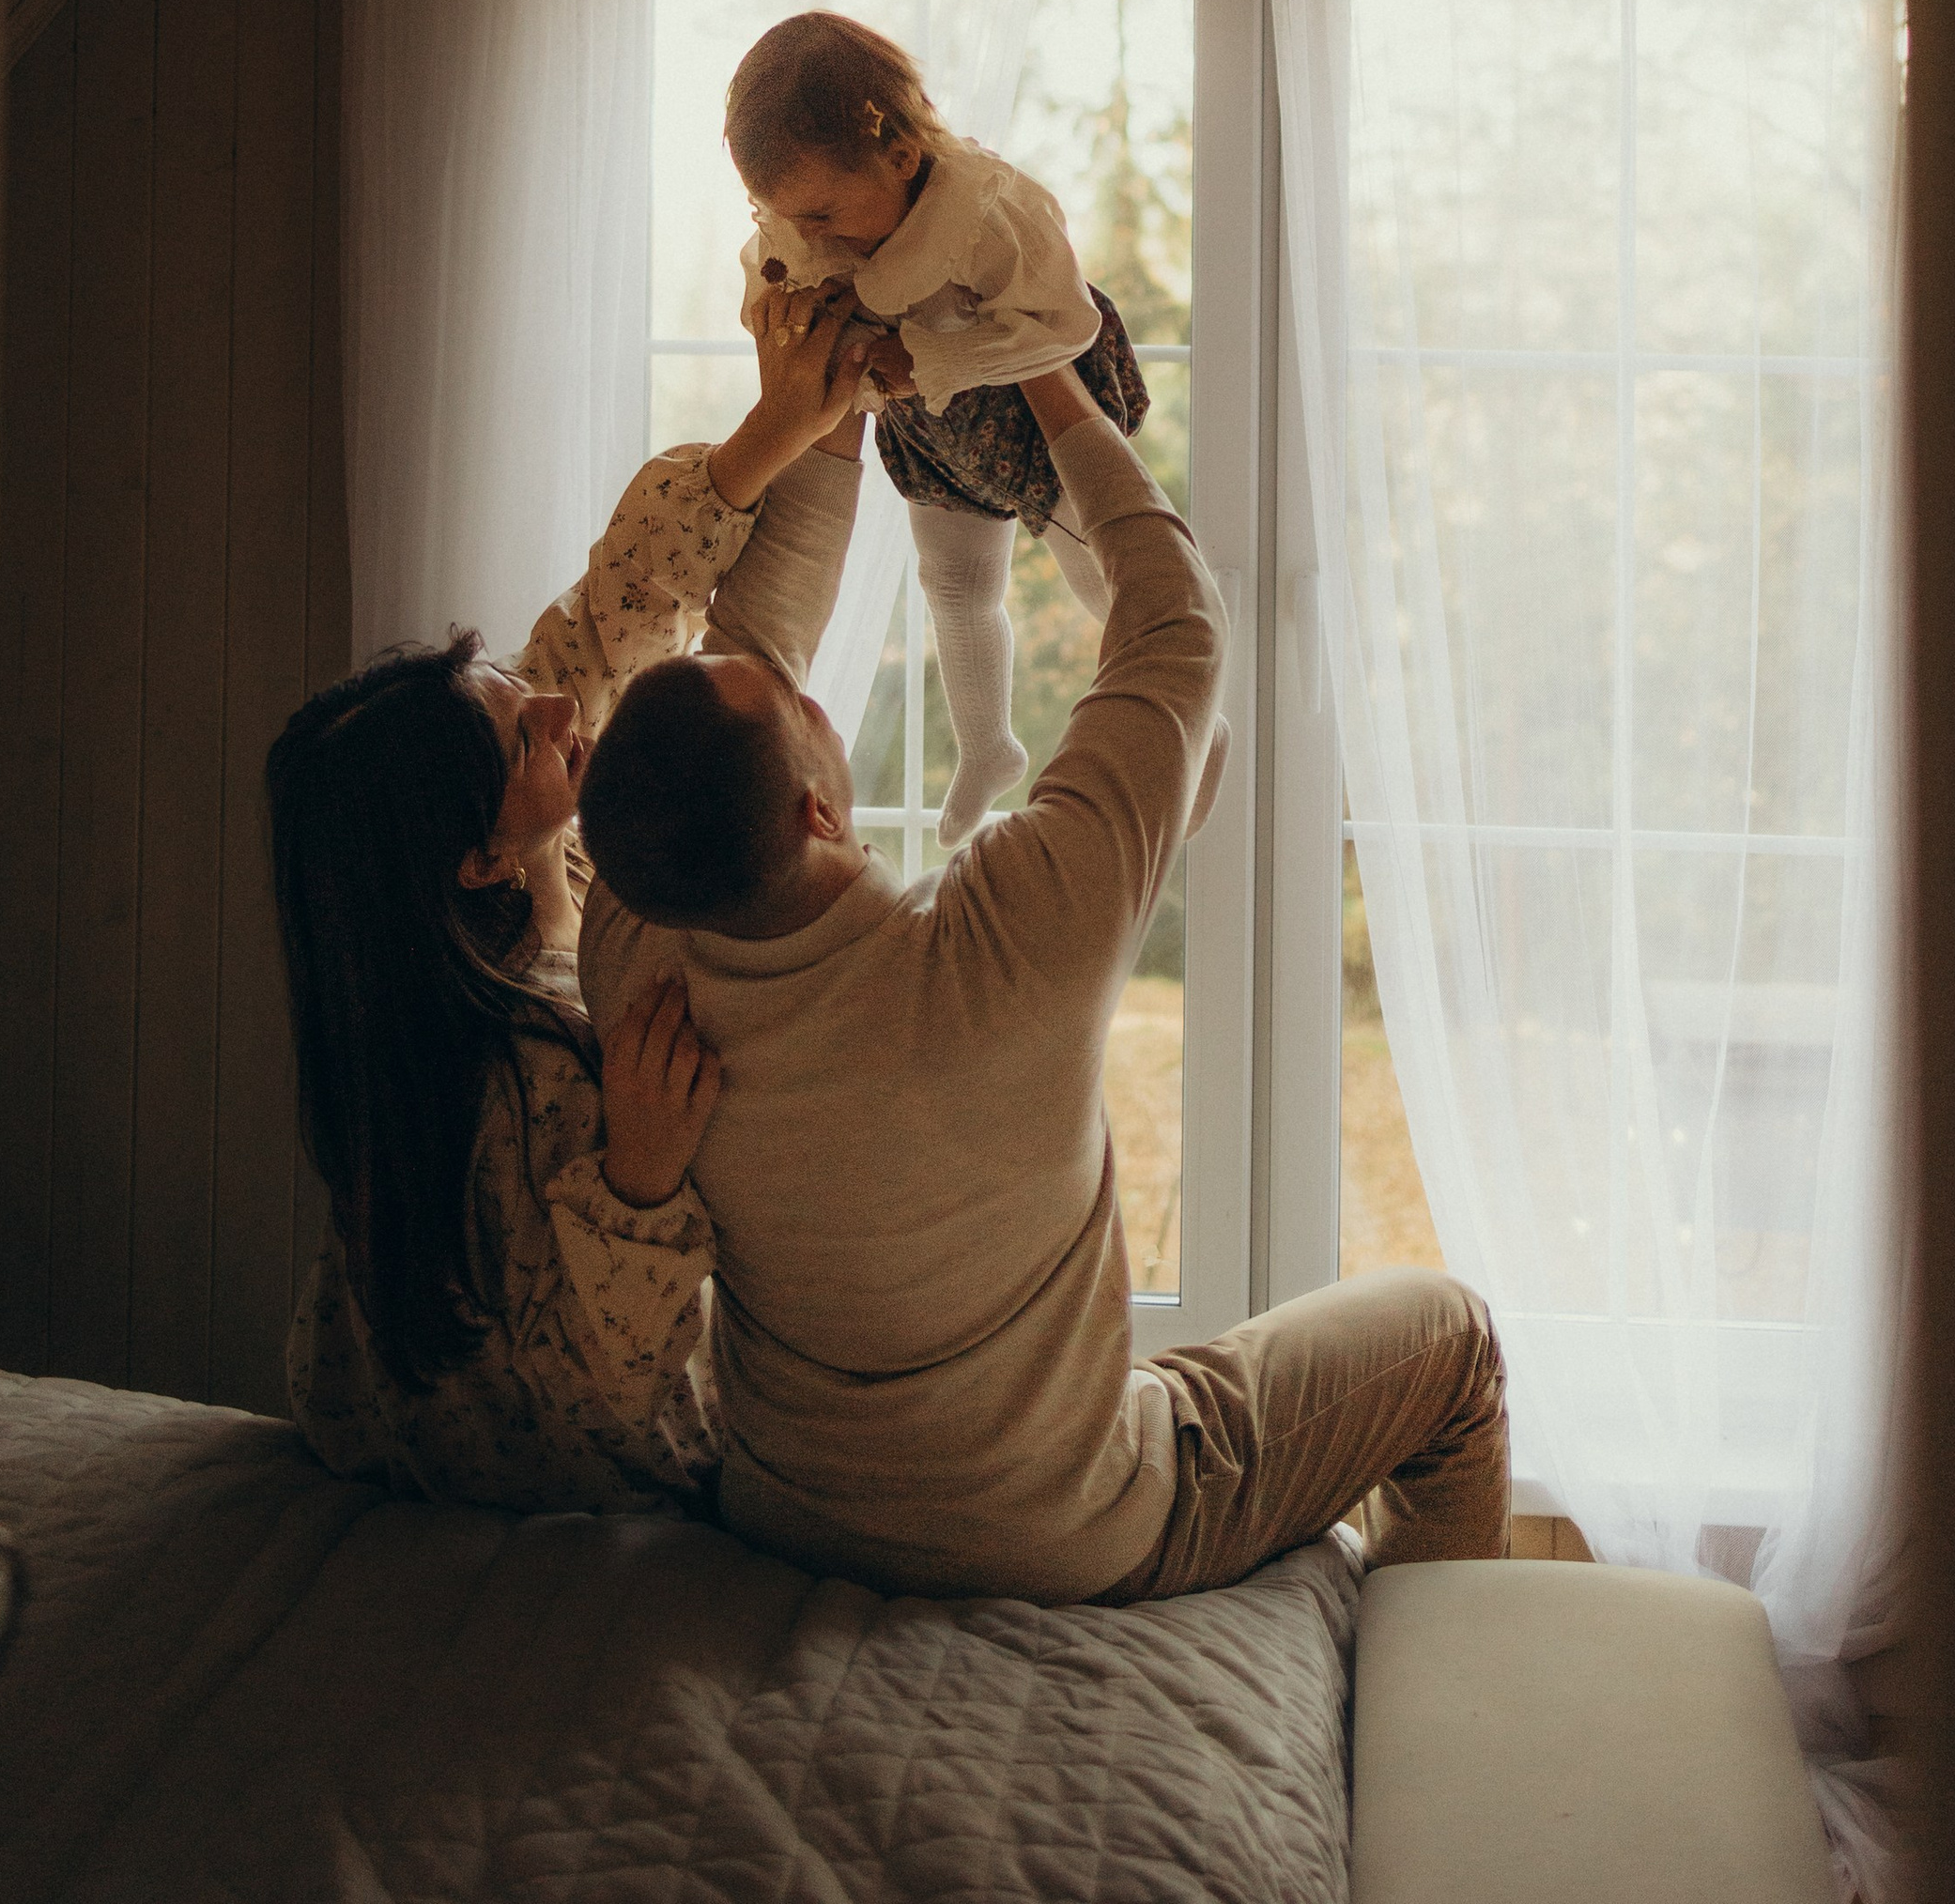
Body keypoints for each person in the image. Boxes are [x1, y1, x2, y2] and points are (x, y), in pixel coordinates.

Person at [576, 361, 1508, 1606]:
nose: (805, 686)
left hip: (790, 1512)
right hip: (1064, 1531)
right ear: (817, 804)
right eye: (803, 711)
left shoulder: (635, 949)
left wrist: (837, 398)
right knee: (1450, 1339)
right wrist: (1055, 378)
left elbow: (748, 649)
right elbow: (1177, 622)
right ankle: (1441, 1681)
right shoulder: (1013, 929)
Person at [269, 284, 867, 1512]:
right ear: (479, 858)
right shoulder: (532, 1055)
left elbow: (621, 611)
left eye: (507, 680)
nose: (552, 705)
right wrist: (640, 1175)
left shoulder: (546, 852)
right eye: (524, 733)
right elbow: (600, 1399)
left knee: (731, 687)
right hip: (564, 1469)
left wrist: (794, 422)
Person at [726, 8, 1148, 845]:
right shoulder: (812, 221)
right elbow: (770, 284)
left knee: (1105, 575)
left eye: (821, 213)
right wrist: (787, 312)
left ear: (901, 157)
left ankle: (1188, 717)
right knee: (953, 586)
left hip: (1027, 408)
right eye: (784, 215)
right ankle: (988, 744)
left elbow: (1066, 326)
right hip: (932, 429)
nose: (807, 234)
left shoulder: (985, 210)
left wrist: (930, 362)